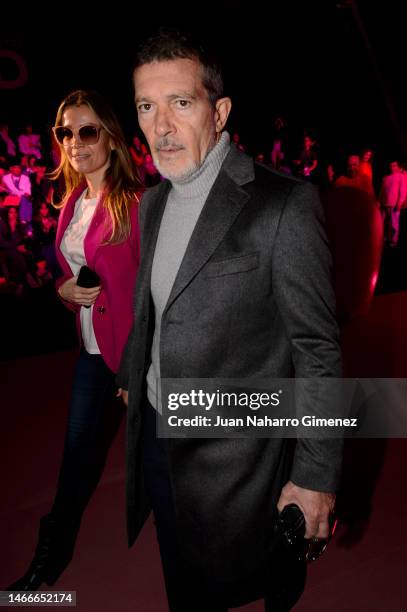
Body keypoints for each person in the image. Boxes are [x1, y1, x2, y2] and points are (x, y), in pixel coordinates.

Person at [117, 29, 342, 611]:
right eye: (146, 106)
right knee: (184, 592)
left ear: (219, 112)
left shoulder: (284, 205)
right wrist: (132, 375)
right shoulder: (152, 204)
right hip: (158, 444)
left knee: (255, 586)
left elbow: (318, 350)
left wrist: (317, 476)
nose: (160, 126)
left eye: (180, 103)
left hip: (242, 462)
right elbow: (156, 309)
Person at [7, 89, 141, 591]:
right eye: (65, 131)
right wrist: (63, 291)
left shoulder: (136, 204)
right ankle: (50, 557)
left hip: (133, 357)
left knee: (177, 453)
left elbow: (150, 295)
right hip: (90, 353)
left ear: (109, 135)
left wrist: (134, 368)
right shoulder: (70, 205)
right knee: (76, 457)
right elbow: (76, 280)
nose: (74, 142)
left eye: (87, 130)